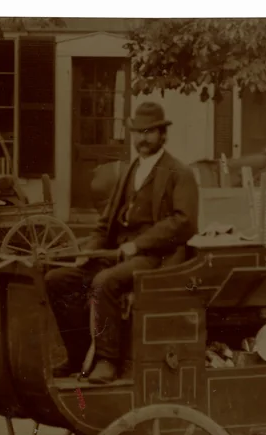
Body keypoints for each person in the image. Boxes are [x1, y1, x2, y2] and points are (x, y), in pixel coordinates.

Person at [44, 101, 199, 384]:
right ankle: (78, 356)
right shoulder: (130, 171)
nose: (142, 138)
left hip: (157, 257)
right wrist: (88, 250)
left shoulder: (179, 173)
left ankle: (107, 360)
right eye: (138, 132)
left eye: (149, 132)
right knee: (59, 279)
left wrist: (139, 245)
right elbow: (106, 223)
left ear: (163, 135)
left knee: (105, 282)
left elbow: (184, 222)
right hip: (119, 253)